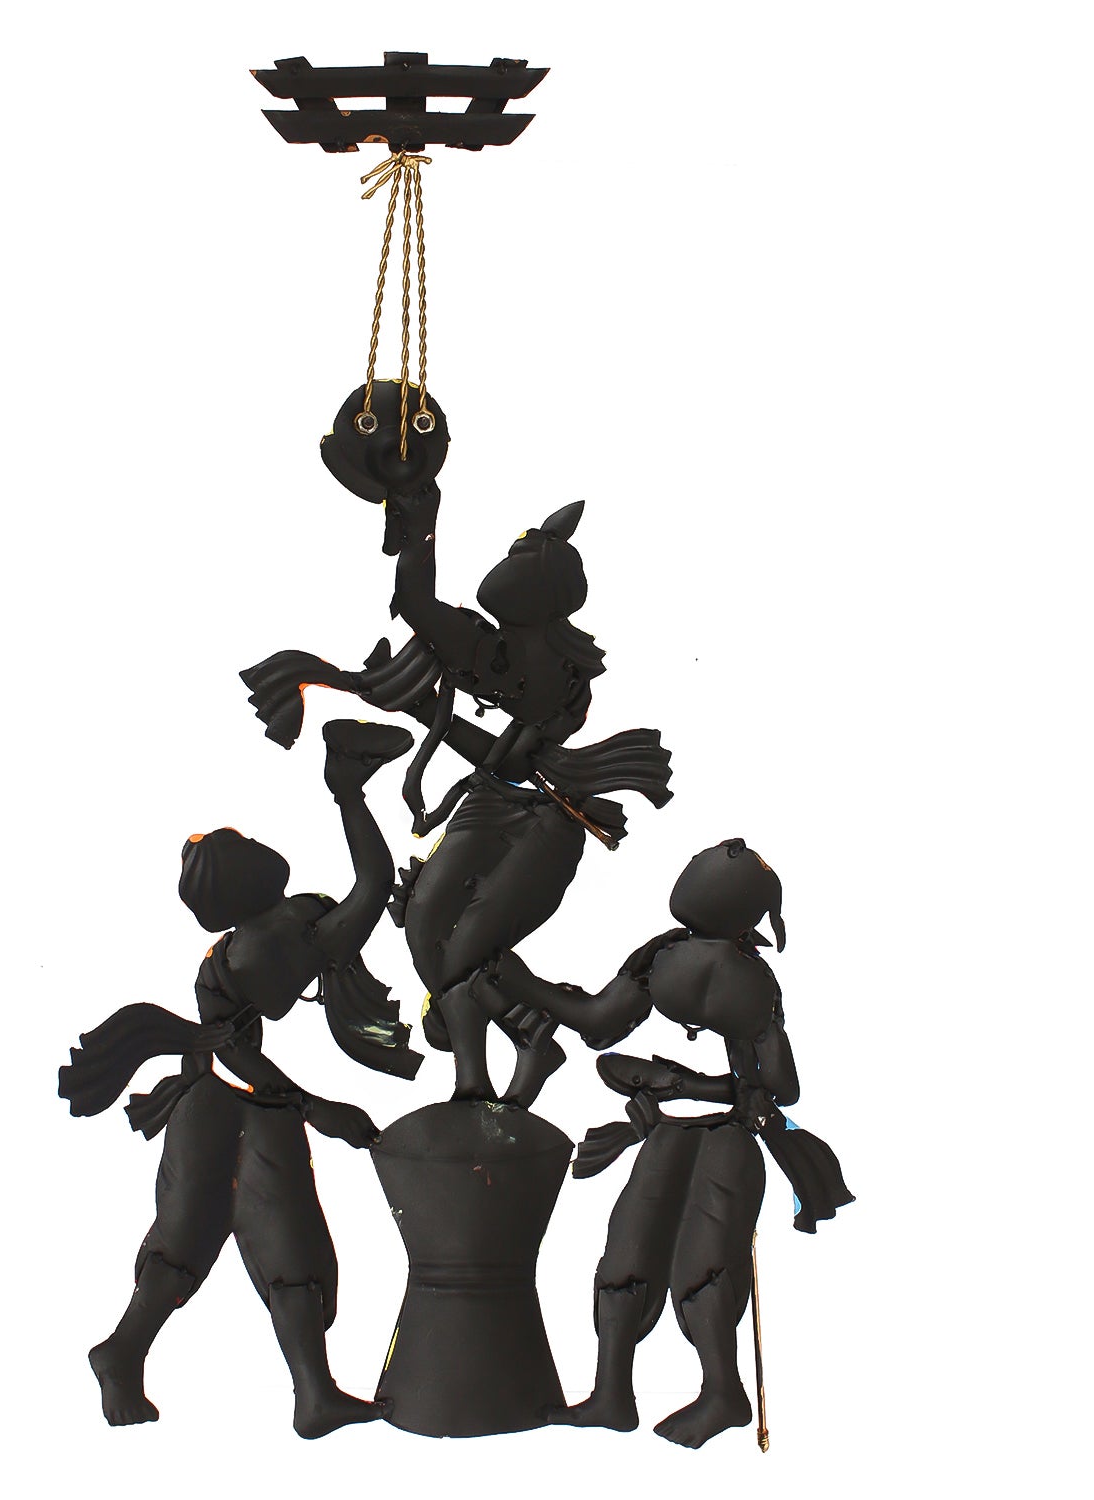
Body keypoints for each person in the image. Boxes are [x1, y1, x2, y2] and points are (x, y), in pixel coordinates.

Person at [240, 386, 673, 1104]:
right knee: (425, 935)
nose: (508, 566)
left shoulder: (556, 673)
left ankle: (541, 1037)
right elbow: (418, 606)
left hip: (545, 818)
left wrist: (425, 713)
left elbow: (521, 758)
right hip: (490, 805)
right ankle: (534, 1036)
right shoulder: (489, 647)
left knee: (460, 952)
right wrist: (421, 518)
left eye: (523, 558)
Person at [58, 719, 420, 1436]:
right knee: (205, 1234)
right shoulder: (274, 941)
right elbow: (371, 889)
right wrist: (348, 795)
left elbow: (367, 899)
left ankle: (310, 1393)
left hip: (243, 1099)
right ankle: (129, 1353)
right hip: (230, 1101)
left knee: (282, 1239)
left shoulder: (260, 938)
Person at [477, 838, 852, 1447]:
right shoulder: (702, 967)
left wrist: (532, 986)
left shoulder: (708, 971)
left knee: (704, 1264)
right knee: (627, 1255)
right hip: (670, 1132)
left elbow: (779, 1088)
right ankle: (611, 1394)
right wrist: (528, 985)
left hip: (726, 1138)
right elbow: (602, 1028)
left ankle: (723, 1393)